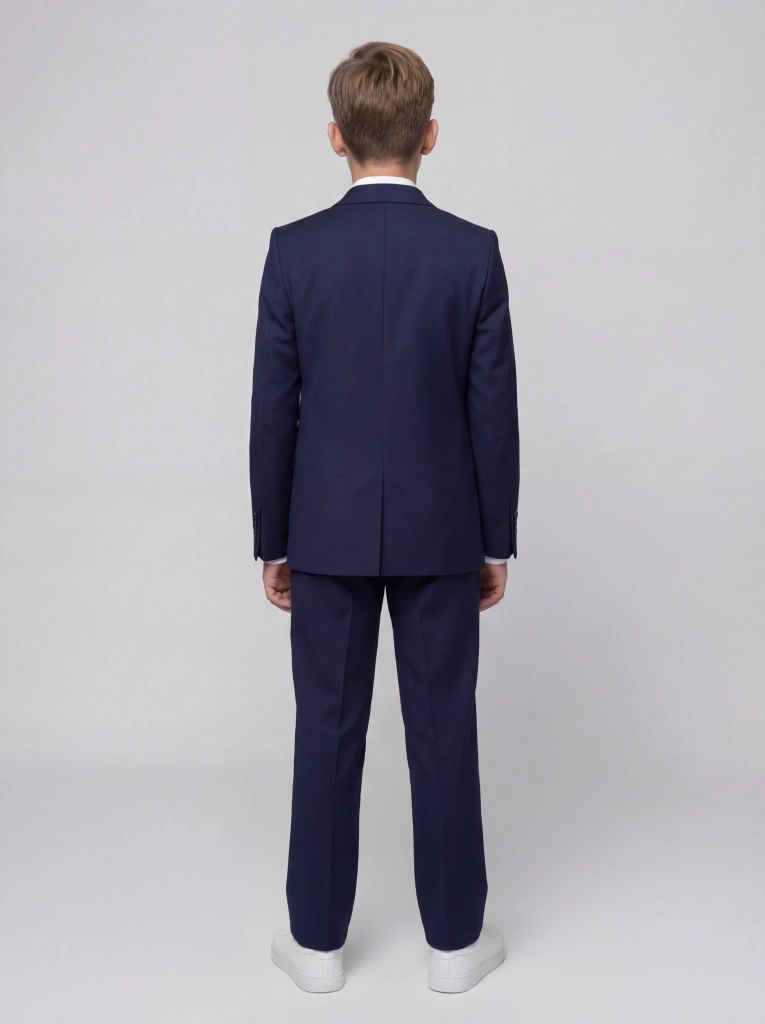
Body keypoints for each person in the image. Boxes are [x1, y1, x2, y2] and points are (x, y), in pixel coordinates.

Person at [249, 41, 519, 993]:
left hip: (322, 533)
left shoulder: (294, 251)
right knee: (443, 732)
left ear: (336, 138)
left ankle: (316, 947)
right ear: (429, 135)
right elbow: (491, 411)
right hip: (443, 533)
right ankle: (453, 948)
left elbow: (273, 409)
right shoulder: (471, 252)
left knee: (325, 731)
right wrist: (494, 540)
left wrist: (273, 540)